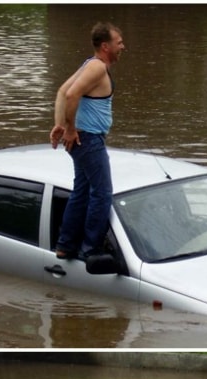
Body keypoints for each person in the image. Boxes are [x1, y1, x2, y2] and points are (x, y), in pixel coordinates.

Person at [49, 22, 125, 261]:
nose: (123, 46)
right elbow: (71, 94)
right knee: (102, 193)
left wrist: (59, 124)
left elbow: (62, 91)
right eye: (119, 42)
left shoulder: (89, 64)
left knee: (82, 191)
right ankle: (91, 248)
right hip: (89, 140)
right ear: (106, 46)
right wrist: (68, 129)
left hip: (83, 140)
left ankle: (66, 245)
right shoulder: (98, 68)